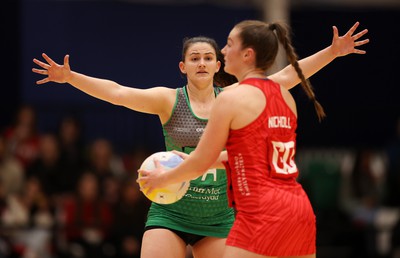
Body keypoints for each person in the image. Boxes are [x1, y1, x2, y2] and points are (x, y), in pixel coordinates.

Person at [32, 21, 368, 258]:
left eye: (208, 57)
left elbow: (284, 77)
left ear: (219, 63)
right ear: (183, 66)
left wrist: (332, 53)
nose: (202, 62)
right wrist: (70, 77)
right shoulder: (169, 100)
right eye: (195, 58)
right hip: (172, 214)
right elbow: (118, 93)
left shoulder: (236, 96)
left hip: (220, 218)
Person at [138, 20, 369, 258]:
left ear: (247, 54)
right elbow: (288, 77)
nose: (224, 51)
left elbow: (201, 162)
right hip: (298, 207)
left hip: (260, 211)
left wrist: (165, 176)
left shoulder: (231, 99)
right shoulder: (281, 96)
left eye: (228, 45)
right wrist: (332, 52)